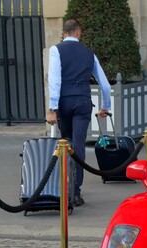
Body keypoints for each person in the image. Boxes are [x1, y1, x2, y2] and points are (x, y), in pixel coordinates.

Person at [46, 19, 111, 206]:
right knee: (79, 144)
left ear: (64, 32)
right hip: (82, 101)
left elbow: (55, 81)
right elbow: (104, 84)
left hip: (64, 102)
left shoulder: (56, 50)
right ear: (78, 32)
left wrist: (52, 109)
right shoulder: (89, 53)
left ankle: (64, 187)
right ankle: (76, 190)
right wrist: (105, 106)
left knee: (65, 141)